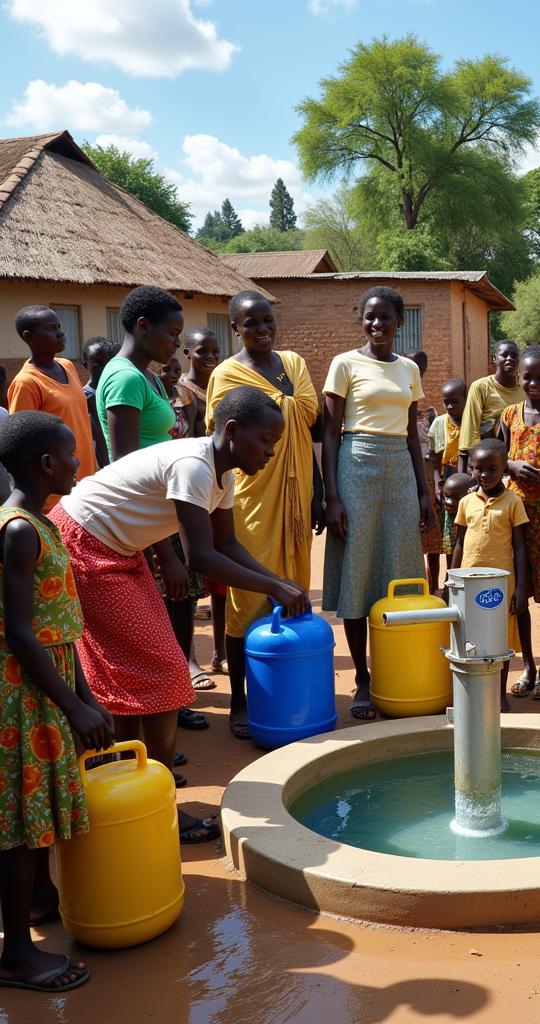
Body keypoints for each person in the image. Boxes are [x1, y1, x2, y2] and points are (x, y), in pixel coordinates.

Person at [51, 386, 308, 843]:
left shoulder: (222, 475)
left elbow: (227, 543)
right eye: (265, 440)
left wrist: (278, 581)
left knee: (135, 671)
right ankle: (158, 798)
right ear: (231, 432)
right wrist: (272, 586)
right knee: (168, 673)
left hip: (118, 549)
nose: (270, 452)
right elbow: (202, 558)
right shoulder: (194, 467)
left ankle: (128, 781)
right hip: (85, 545)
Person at [0, 412, 114, 995]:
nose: (79, 462)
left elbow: (58, 628)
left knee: (35, 814)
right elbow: (21, 632)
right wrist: (73, 706)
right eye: (73, 454)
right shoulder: (18, 529)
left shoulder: (41, 523)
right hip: (25, 696)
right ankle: (16, 955)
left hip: (50, 685)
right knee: (21, 826)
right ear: (47, 465)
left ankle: (37, 908)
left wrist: (86, 695)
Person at [206, 291, 322, 740]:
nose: (262, 329)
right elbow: (220, 429)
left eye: (268, 320)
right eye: (250, 323)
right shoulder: (226, 373)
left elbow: (307, 418)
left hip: (297, 491)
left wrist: (318, 491)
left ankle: (289, 690)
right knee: (248, 598)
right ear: (235, 328)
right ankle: (240, 697)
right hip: (251, 493)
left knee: (292, 589)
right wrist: (282, 399)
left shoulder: (292, 363)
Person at [97, 286, 208, 731]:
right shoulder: (124, 377)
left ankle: (169, 702)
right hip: (140, 525)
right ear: (143, 327)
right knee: (151, 625)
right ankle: (154, 719)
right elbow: (125, 470)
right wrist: (164, 551)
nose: (176, 344)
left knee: (171, 613)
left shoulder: (142, 376)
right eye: (171, 333)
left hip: (155, 519)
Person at [322, 286, 432, 721]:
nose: (376, 324)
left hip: (400, 471)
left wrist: (424, 491)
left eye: (385, 317)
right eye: (369, 317)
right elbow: (330, 433)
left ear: (399, 323)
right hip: (357, 466)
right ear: (361, 320)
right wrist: (331, 494)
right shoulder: (344, 364)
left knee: (401, 568)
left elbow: (411, 435)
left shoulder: (408, 369)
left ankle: (398, 672)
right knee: (359, 569)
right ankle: (364, 680)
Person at [452, 438, 529, 711]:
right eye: (478, 468)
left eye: (492, 469)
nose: (484, 475)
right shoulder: (466, 503)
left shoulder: (513, 502)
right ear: (471, 469)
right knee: (469, 636)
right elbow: (460, 543)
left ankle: (499, 694)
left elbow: (520, 547)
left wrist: (520, 587)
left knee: (500, 640)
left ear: (504, 469)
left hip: (501, 585)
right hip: (469, 583)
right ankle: (472, 694)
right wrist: (451, 580)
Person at [501, 345, 540, 700]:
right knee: (520, 594)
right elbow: (495, 453)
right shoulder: (510, 414)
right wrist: (511, 466)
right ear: (518, 377)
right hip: (516, 517)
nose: (534, 382)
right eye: (527, 376)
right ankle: (528, 666)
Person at [9, 306, 97, 509]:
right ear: (28, 336)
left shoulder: (67, 366)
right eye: (51, 328)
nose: (61, 333)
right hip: (55, 495)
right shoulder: (27, 383)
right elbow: (22, 443)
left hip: (85, 482)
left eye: (59, 326)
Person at [177, 327, 224, 672]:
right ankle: (190, 659)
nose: (209, 358)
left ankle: (220, 651)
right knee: (193, 580)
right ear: (186, 353)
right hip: (196, 485)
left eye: (214, 352)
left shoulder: (222, 384)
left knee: (221, 582)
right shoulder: (183, 392)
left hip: (220, 484)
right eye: (201, 352)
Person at [458, 340, 524, 472]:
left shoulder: (524, 392)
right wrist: (477, 466)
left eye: (514, 356)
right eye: (504, 355)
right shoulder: (481, 387)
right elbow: (471, 430)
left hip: (517, 463)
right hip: (487, 466)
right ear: (494, 358)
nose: (510, 358)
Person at [409, 350, 444, 594]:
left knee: (433, 537)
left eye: (421, 368)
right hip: (407, 477)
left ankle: (433, 586)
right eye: (413, 366)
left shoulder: (429, 408)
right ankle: (418, 586)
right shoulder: (400, 399)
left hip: (429, 478)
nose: (417, 372)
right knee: (413, 536)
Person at [427, 378, 466, 570]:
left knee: (462, 535)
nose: (450, 406)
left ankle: (456, 578)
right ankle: (446, 580)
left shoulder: (473, 422)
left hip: (467, 485)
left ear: (466, 400)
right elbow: (434, 460)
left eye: (455, 402)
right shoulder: (438, 424)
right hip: (446, 485)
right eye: (446, 402)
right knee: (447, 537)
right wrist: (437, 484)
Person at [81, 337, 117, 468]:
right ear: (86, 365)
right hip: (97, 463)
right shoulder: (83, 397)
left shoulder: (120, 392)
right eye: (98, 365)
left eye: (110, 363)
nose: (106, 369)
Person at [160, 357, 188, 440]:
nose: (173, 374)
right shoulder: (150, 397)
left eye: (177, 370)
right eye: (165, 370)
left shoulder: (183, 394)